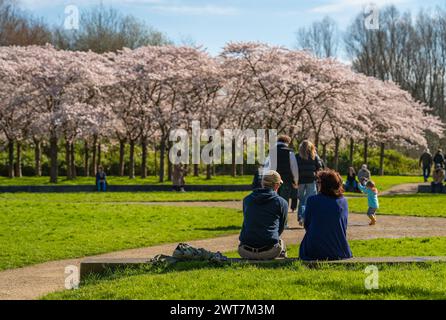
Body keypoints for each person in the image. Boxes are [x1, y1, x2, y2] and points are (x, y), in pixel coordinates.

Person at [299, 169, 353, 261]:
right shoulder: (343, 202)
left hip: (314, 251)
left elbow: (307, 224)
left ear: (323, 185)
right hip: (340, 249)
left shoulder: (312, 200)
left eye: (318, 182)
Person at [238, 170, 288, 260]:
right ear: (276, 185)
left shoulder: (247, 200)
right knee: (282, 243)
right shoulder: (281, 202)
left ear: (262, 183)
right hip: (270, 251)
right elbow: (281, 227)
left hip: (245, 251)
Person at [295, 140, 323, 226]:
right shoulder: (314, 156)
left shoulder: (297, 156)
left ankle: (300, 217)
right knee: (309, 199)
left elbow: (294, 168)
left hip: (301, 180)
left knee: (302, 199)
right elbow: (319, 167)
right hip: (311, 180)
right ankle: (305, 217)